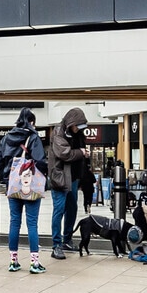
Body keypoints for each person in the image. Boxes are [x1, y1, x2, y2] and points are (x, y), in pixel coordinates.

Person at [0, 108, 48, 274]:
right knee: (32, 223)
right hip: (30, 184)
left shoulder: (7, 137)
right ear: (31, 122)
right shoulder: (34, 137)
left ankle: (13, 261)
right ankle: (34, 263)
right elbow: (40, 161)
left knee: (14, 222)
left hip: (13, 184)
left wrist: (8, 177)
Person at [44, 107, 88, 260]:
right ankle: (56, 245)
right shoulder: (58, 133)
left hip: (73, 178)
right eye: (77, 126)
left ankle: (67, 240)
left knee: (72, 208)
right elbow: (65, 154)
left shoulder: (78, 135)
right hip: (60, 178)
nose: (78, 130)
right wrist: (81, 153)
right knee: (59, 210)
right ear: (71, 123)